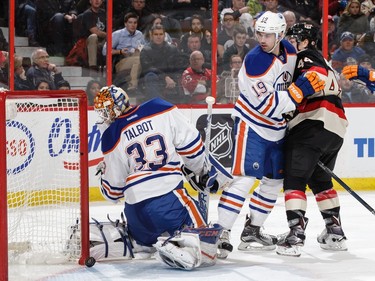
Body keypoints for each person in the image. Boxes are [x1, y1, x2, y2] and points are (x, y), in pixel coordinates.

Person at [215, 11, 325, 259]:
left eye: (268, 35)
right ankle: (221, 231)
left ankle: (252, 230)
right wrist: (300, 92)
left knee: (274, 181)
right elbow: (267, 106)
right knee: (243, 179)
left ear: (281, 34)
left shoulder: (289, 51)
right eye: (259, 34)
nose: (262, 39)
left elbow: (292, 81)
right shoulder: (256, 62)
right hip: (252, 126)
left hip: (276, 129)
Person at [93, 85, 232, 270]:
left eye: (106, 110)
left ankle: (141, 243)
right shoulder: (160, 107)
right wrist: (203, 171)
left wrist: (103, 175)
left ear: (117, 106)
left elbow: (113, 193)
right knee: (207, 248)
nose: (104, 116)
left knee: (143, 240)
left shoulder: (111, 135)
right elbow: (191, 145)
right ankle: (180, 247)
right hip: (169, 200)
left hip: (135, 213)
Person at [274, 22, 349, 257]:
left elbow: (314, 76)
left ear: (308, 41)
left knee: (294, 180)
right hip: (335, 129)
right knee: (321, 181)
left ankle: (295, 236)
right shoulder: (325, 60)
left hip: (312, 124)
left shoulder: (306, 57)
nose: (291, 43)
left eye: (296, 38)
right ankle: (334, 231)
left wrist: (293, 96)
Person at [140, 24, 183, 103]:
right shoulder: (145, 51)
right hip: (154, 80)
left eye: (161, 34)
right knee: (150, 75)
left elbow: (179, 67)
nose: (158, 37)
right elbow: (148, 68)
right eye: (156, 34)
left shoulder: (173, 49)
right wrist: (165, 77)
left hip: (172, 80)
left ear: (164, 35)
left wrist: (172, 79)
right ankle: (158, 105)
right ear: (151, 35)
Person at [103, 12, 145, 91]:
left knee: (140, 58)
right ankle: (133, 85)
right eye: (130, 22)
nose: (133, 25)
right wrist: (119, 51)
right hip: (121, 61)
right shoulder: (117, 34)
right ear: (125, 24)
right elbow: (105, 51)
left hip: (136, 58)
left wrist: (140, 49)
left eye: (135, 23)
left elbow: (144, 47)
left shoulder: (140, 34)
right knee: (138, 60)